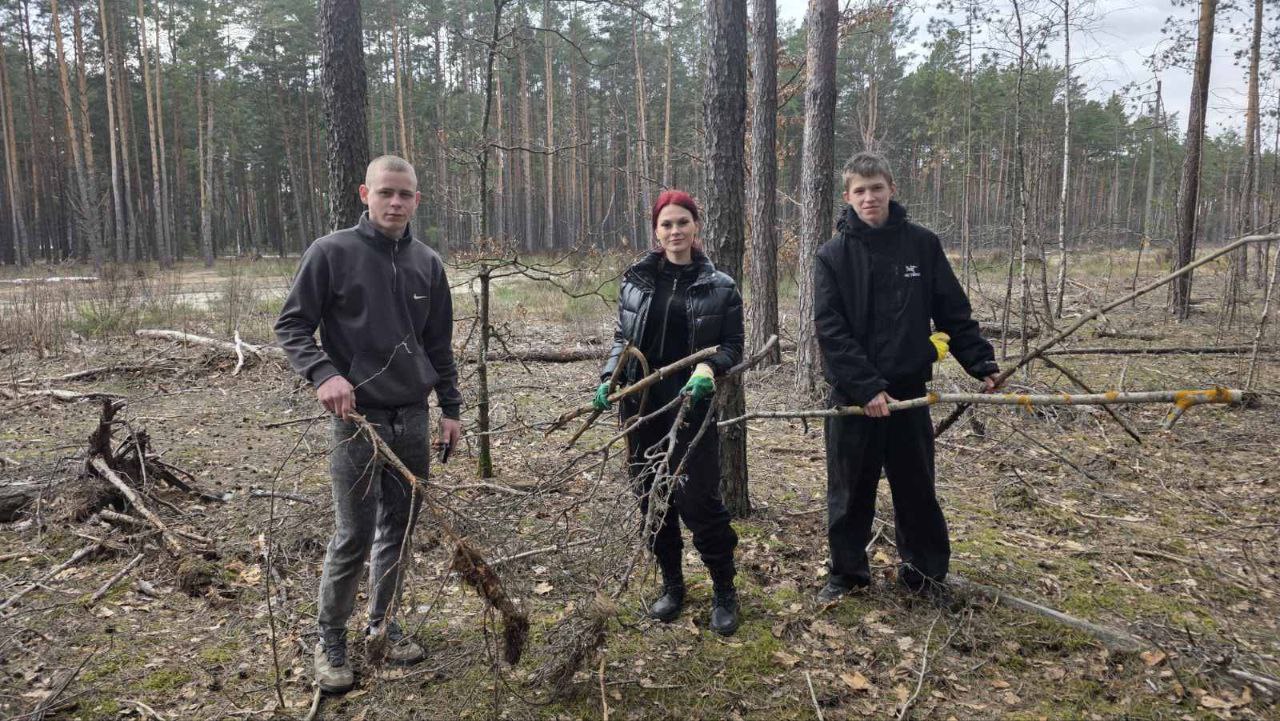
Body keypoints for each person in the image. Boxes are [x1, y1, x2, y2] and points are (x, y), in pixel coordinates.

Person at [275, 155, 463, 693]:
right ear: (365, 194)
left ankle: (383, 624)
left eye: (404, 194)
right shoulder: (331, 253)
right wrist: (324, 375)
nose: (395, 203)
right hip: (356, 420)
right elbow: (292, 325)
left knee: (399, 530)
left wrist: (450, 408)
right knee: (353, 533)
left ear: (417, 200)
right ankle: (330, 638)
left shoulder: (428, 263)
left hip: (413, 418)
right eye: (385, 192)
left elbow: (438, 344)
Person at [813, 152, 998, 605]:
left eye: (876, 188)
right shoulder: (832, 256)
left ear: (892, 189)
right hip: (853, 399)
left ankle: (924, 574)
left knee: (916, 489)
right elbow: (830, 330)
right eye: (860, 190)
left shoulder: (922, 245)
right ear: (847, 196)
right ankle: (847, 575)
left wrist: (982, 363)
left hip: (909, 393)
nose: (869, 197)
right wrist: (866, 387)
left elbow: (952, 311)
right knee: (849, 493)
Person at [594, 190, 745, 636]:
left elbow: (732, 346)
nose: (675, 231)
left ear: (696, 226)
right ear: (656, 231)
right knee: (651, 497)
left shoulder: (721, 286)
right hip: (641, 405)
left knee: (699, 500)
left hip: (691, 403)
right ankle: (673, 585)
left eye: (682, 222)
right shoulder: (637, 280)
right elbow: (623, 339)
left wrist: (708, 368)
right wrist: (609, 377)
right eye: (666, 224)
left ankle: (724, 589)